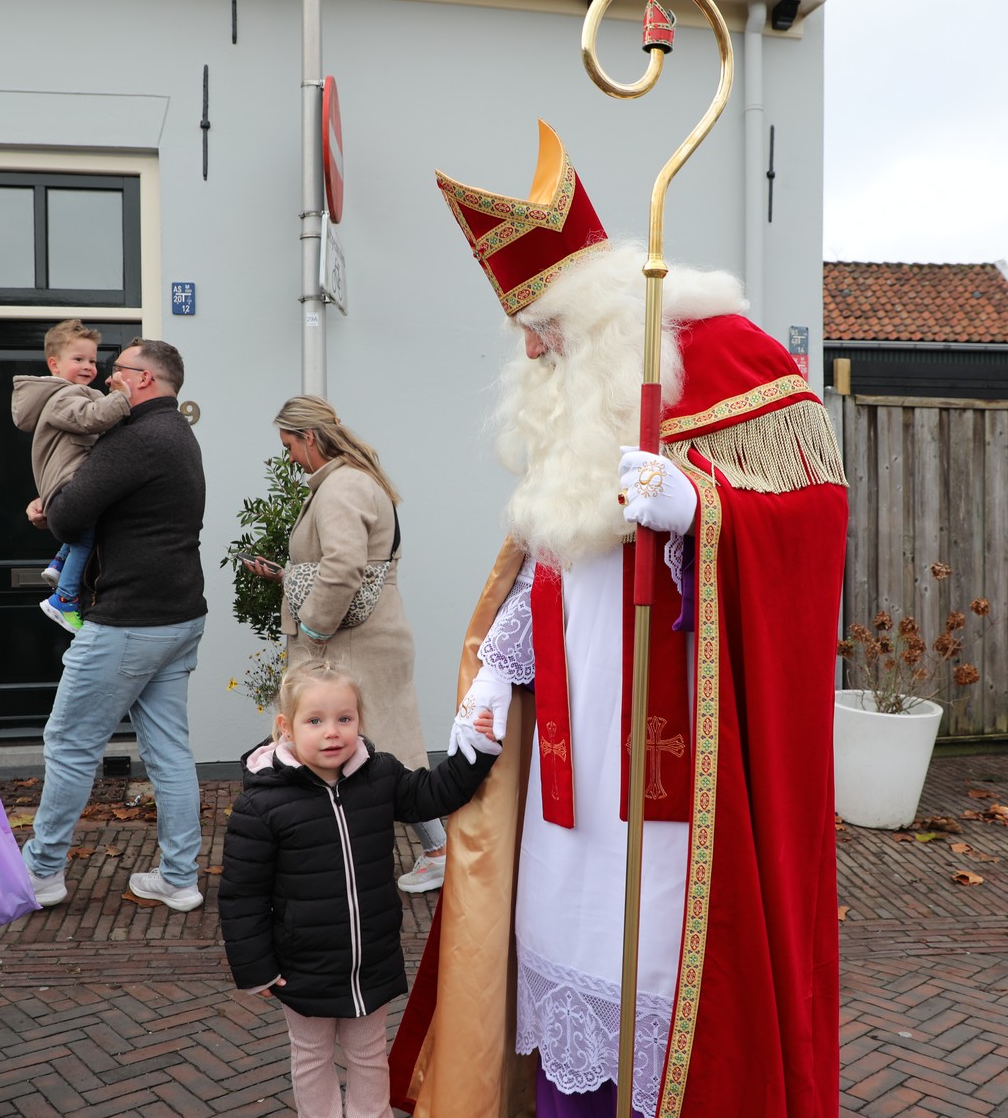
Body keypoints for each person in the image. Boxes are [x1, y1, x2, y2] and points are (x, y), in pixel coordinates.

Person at [389, 122, 850, 1118]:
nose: (529, 349)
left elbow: (816, 516)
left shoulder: (727, 355)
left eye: (542, 325)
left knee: (655, 964)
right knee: (565, 954)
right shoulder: (574, 400)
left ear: (596, 309)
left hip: (678, 748)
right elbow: (546, 561)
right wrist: (496, 671)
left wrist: (702, 511)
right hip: (569, 755)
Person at [219, 660, 499, 1118]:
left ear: (359, 720)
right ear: (286, 727)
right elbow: (241, 895)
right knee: (312, 1055)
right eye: (315, 721)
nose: (332, 732)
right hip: (303, 962)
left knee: (369, 1054)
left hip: (371, 956)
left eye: (344, 718)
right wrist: (256, 969)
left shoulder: (380, 775)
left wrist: (478, 751)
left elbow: (434, 793)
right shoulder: (262, 804)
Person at [20, 338, 208, 913]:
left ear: (144, 378)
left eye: (117, 369)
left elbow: (69, 516)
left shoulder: (135, 438)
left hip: (129, 621)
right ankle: (179, 878)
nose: (105, 378)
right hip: (180, 615)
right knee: (169, 751)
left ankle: (41, 872)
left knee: (70, 744)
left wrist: (51, 506)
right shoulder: (179, 433)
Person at [243, 395, 450, 893]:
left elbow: (343, 567)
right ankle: (426, 851)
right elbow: (341, 565)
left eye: (289, 445)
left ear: (309, 437)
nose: (289, 457)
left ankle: (436, 853)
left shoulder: (342, 486)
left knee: (380, 749)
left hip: (353, 643)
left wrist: (314, 633)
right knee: (375, 747)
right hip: (368, 637)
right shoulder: (353, 480)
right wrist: (286, 576)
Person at [11, 319, 130, 633]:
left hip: (71, 479)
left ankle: (60, 562)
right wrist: (122, 397)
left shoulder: (74, 393)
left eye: (92, 360)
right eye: (79, 359)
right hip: (69, 482)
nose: (88, 366)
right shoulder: (63, 397)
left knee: (86, 530)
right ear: (55, 364)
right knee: (86, 535)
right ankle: (63, 598)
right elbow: (91, 419)